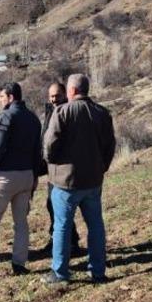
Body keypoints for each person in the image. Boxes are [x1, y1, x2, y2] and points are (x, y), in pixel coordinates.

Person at [42, 73, 116, 286]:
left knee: (62, 226)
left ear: (72, 91)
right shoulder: (102, 113)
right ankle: (98, 271)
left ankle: (60, 272)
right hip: (93, 180)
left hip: (65, 182)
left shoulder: (62, 112)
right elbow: (110, 145)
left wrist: (52, 163)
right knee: (96, 226)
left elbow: (49, 145)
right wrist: (102, 167)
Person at [0, 81, 44, 277]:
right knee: (21, 222)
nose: (0, 100)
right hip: (26, 175)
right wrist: (35, 175)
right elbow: (36, 151)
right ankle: (19, 263)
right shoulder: (33, 119)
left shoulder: (6, 116)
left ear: (11, 97)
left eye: (2, 97)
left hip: (5, 176)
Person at [42, 82, 82, 255]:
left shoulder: (69, 111)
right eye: (51, 96)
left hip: (66, 168)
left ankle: (70, 243)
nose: (54, 99)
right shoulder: (50, 111)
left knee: (62, 207)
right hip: (53, 169)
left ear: (65, 94)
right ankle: (59, 239)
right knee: (52, 205)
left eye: (57, 95)